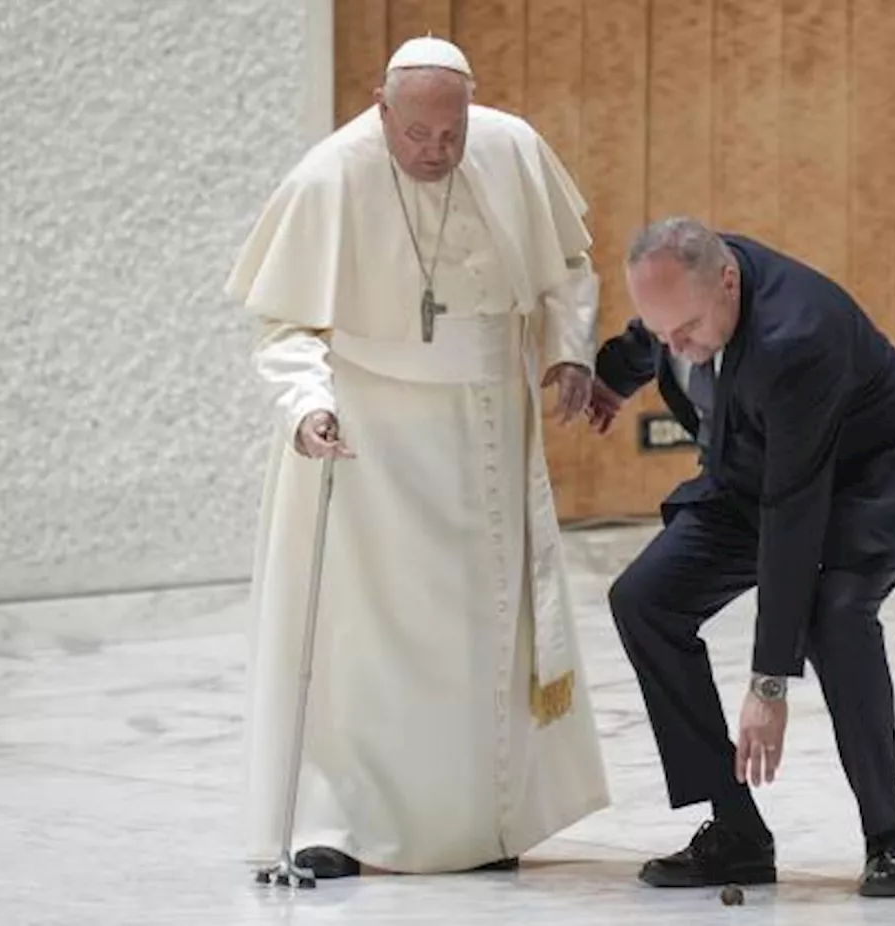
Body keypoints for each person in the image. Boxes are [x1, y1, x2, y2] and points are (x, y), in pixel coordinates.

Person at [223, 35, 609, 877]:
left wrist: (570, 350)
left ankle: (482, 827)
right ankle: (343, 825)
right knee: (367, 638)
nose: (434, 153)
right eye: (416, 136)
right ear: (380, 106)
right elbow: (286, 325)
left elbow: (567, 267)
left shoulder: (509, 148)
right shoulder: (329, 177)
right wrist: (307, 405)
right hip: (372, 440)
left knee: (484, 634)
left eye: (450, 136)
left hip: (488, 428)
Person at [587, 217, 895, 898]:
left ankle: (886, 839)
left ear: (729, 284)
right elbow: (648, 339)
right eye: (662, 334)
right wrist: (611, 380)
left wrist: (769, 683)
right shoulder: (685, 298)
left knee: (836, 617)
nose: (673, 348)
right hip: (755, 470)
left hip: (871, 479)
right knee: (645, 601)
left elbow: (793, 513)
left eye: (683, 330)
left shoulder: (796, 338)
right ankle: (736, 833)